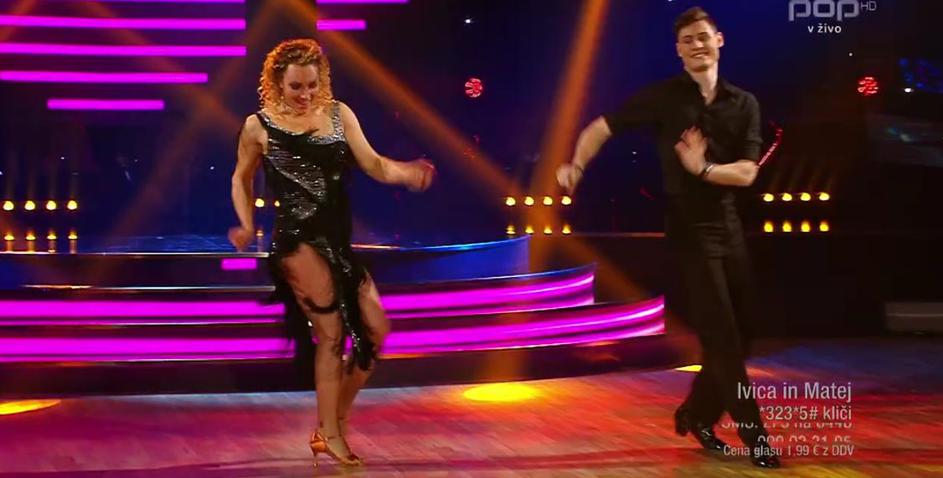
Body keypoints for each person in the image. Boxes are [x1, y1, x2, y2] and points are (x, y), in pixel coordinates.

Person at [556, 7, 779, 468]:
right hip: (689, 229)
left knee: (742, 336)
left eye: (703, 36)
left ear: (719, 40)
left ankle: (697, 413)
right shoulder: (664, 98)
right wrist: (576, 164)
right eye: (688, 40)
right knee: (723, 338)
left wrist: (703, 168)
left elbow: (747, 173)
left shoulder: (745, 103)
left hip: (729, 225)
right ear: (678, 50)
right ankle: (757, 438)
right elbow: (601, 126)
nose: (697, 45)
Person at [229, 38, 435, 467]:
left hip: (337, 243)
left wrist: (406, 173)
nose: (305, 95)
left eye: (311, 85)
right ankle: (332, 432)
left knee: (376, 331)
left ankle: (331, 423)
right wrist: (247, 224)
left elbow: (374, 163)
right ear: (277, 83)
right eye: (295, 87)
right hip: (296, 241)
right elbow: (240, 178)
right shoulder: (258, 126)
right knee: (332, 333)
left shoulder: (340, 115)